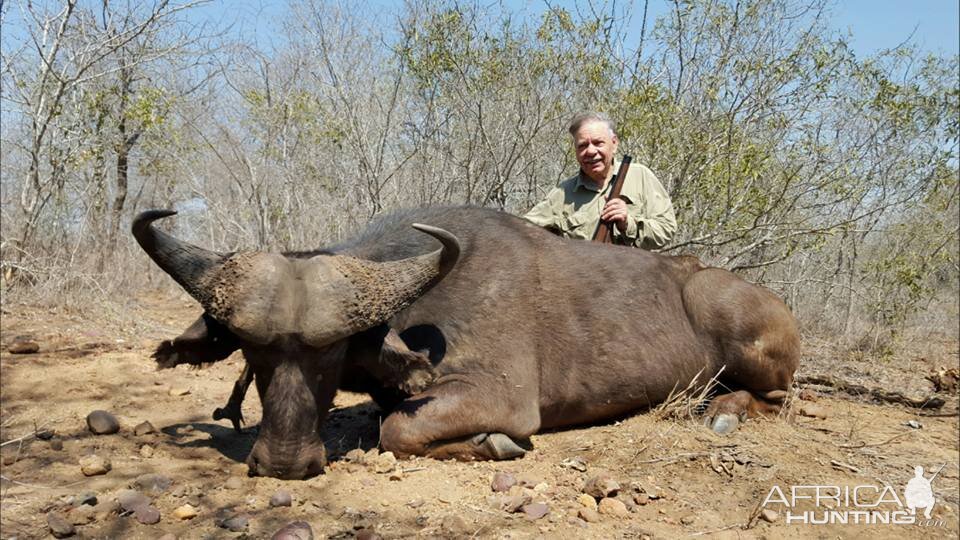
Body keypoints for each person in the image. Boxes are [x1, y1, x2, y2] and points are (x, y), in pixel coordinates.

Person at [524, 112, 676, 249]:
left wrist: (627, 224)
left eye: (598, 143)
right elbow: (522, 230)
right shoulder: (562, 193)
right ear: (576, 151)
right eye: (582, 146)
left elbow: (665, 230)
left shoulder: (640, 176)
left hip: (633, 277)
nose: (590, 151)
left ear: (614, 144)